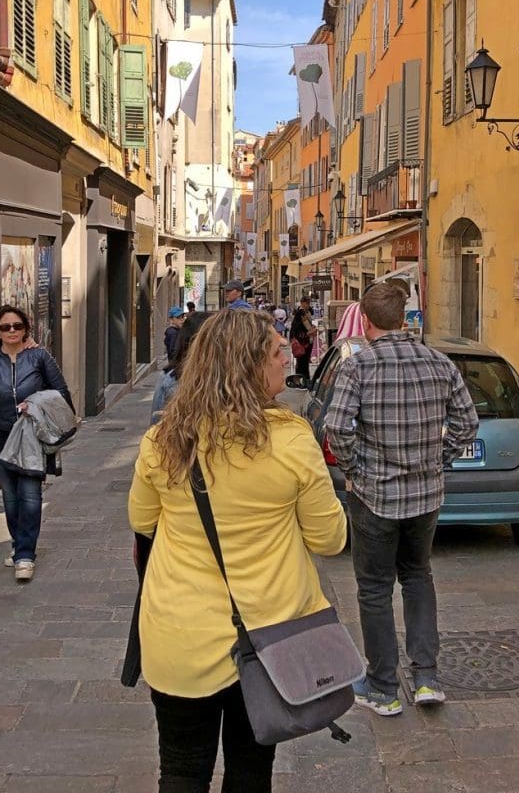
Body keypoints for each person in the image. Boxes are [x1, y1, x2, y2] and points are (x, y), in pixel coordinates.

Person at [129, 309, 346, 791]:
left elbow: (142, 521)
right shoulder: (291, 441)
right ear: (248, 367)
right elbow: (330, 539)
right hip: (270, 640)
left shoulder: (163, 440)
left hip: (178, 635)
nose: (285, 354)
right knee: (251, 774)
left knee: (181, 771)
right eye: (274, 351)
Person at [326, 283, 478, 715]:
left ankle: (383, 688)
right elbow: (468, 423)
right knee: (418, 577)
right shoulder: (440, 362)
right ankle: (427, 678)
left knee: (374, 590)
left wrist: (356, 471)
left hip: (375, 496)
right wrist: (439, 460)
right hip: (426, 496)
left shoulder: (359, 367)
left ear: (366, 322)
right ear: (403, 318)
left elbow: (337, 429)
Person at [0, 305, 73, 583]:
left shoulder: (39, 357)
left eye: (17, 326)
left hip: (32, 438)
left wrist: (35, 403)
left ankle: (26, 555)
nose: (12, 331)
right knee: (11, 500)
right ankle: (18, 544)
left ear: (26, 329)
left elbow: (60, 393)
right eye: (5, 327)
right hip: (2, 437)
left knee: (30, 496)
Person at [149, 311, 211, 425]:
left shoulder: (168, 378)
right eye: (178, 317)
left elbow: (155, 427)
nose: (181, 319)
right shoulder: (229, 379)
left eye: (182, 317)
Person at [289, 295, 317, 381]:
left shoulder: (307, 312)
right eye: (306, 303)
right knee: (302, 361)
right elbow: (297, 328)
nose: (308, 304)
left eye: (309, 303)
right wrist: (308, 333)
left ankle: (304, 379)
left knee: (304, 361)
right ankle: (301, 380)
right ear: (302, 303)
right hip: (302, 341)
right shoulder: (300, 313)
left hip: (307, 340)